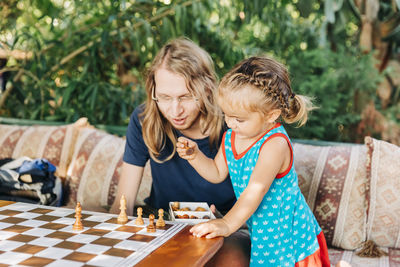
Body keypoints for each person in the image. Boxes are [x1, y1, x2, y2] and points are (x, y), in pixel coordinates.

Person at [177, 56, 333, 266]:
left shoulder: (274, 145)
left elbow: (255, 190)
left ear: (271, 115)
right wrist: (195, 156)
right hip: (264, 237)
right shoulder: (231, 137)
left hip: (290, 238)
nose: (230, 124)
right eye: (226, 115)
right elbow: (216, 172)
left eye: (239, 119)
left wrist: (226, 223)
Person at [110, 37, 251, 266]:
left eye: (185, 97)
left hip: (225, 228)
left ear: (206, 88)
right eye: (165, 97)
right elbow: (122, 203)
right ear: (153, 90)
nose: (175, 110)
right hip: (163, 222)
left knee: (230, 260)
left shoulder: (233, 124)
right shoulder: (143, 120)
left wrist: (225, 223)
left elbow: (256, 200)